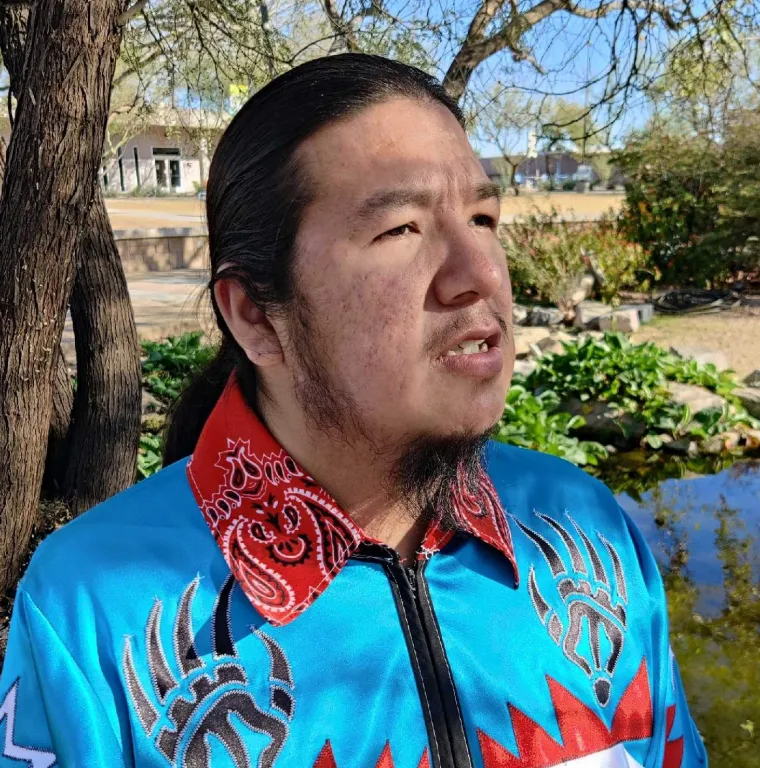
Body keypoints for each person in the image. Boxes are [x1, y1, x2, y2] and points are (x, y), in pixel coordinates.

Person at [0, 54, 706, 768]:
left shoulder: (590, 534)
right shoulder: (89, 610)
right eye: (401, 229)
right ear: (255, 319)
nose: (481, 276)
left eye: (483, 217)